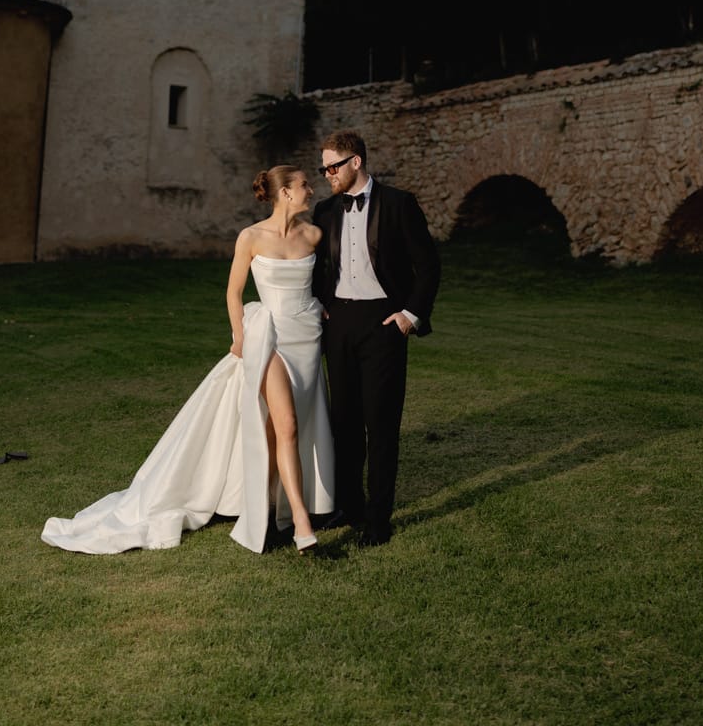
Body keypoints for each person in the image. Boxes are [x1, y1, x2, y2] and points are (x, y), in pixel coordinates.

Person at [41, 165, 334, 556]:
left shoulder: (313, 235)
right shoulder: (250, 237)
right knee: (288, 425)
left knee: (275, 431)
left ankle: (263, 510)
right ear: (285, 193)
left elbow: (326, 281)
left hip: (307, 338)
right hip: (270, 338)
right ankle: (301, 526)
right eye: (304, 185)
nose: (311, 190)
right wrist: (240, 337)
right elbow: (233, 293)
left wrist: (323, 305)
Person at [313, 129, 440, 547]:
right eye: (324, 168)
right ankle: (349, 507)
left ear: (356, 162)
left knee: (381, 424)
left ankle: (378, 520)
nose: (327, 174)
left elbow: (428, 266)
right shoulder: (324, 211)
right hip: (339, 322)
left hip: (384, 322)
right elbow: (315, 267)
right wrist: (320, 303)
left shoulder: (400, 204)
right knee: (343, 422)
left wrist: (409, 316)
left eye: (333, 167)